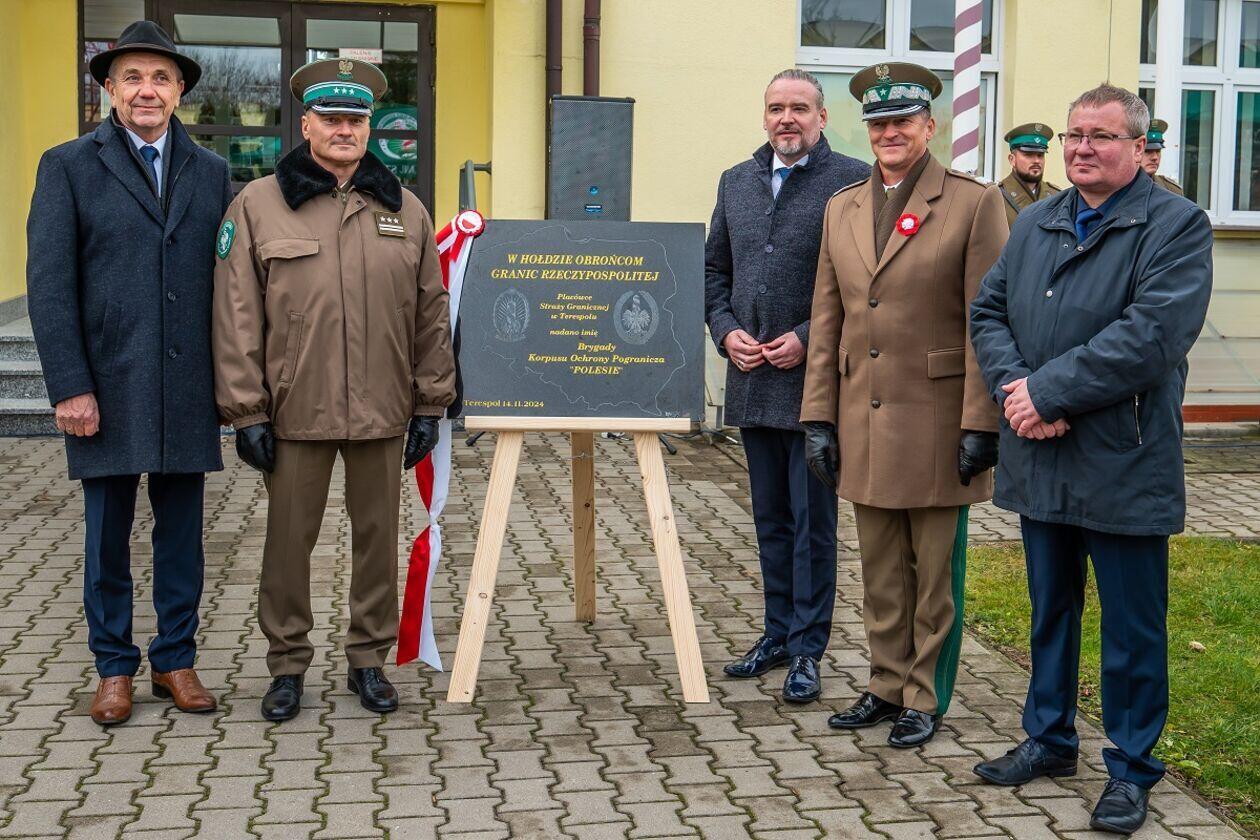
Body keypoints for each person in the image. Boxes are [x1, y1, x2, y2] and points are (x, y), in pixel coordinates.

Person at [969, 84, 1212, 834]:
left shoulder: (1176, 224)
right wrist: (1016, 390)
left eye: (1100, 136)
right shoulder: (1037, 219)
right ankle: (1049, 739)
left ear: (1138, 148)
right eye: (1074, 134)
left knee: (1132, 627)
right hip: (1041, 452)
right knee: (1050, 608)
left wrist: (1046, 392)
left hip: (1123, 457)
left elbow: (1151, 335)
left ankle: (1132, 768)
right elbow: (989, 310)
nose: (1080, 148)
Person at [213, 58, 456, 722]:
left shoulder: (404, 208)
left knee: (377, 540)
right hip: (296, 407)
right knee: (288, 545)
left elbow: (430, 312)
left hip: (384, 406)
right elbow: (236, 314)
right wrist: (245, 410)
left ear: (368, 127)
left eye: (356, 119)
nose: (344, 129)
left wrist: (430, 402)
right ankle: (287, 664)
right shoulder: (259, 203)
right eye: (331, 119)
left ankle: (367, 658)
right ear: (306, 125)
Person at [26, 20, 231, 726]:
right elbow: (49, 285)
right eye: (134, 77)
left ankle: (175, 659)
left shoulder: (211, 172)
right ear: (110, 90)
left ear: (179, 93)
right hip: (107, 384)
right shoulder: (67, 166)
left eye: (161, 78)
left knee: (181, 538)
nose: (148, 90)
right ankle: (113, 667)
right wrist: (69, 386)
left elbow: (229, 282)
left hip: (187, 382)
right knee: (107, 537)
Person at [799, 62, 1006, 747]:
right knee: (881, 570)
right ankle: (886, 684)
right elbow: (826, 318)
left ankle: (926, 694)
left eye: (902, 122)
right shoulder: (842, 206)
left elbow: (987, 321)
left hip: (939, 420)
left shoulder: (974, 203)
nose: (889, 133)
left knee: (934, 575)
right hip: (863, 417)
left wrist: (982, 422)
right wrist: (818, 415)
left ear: (929, 126)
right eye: (879, 123)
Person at [705, 69, 869, 703]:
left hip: (814, 384)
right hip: (751, 379)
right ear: (764, 116)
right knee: (770, 520)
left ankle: (808, 648)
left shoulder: (850, 182)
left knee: (812, 525)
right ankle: (776, 633)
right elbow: (714, 271)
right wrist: (725, 330)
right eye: (776, 108)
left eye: (799, 107)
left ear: (822, 117)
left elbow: (863, 283)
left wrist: (807, 335)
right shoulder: (736, 181)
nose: (787, 118)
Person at [998, 123, 1062, 227]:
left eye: (1040, 155)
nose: (1036, 161)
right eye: (1028, 155)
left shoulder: (1056, 196)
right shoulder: (998, 196)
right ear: (1012, 160)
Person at [1141, 118, 1184, 195]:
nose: (1155, 157)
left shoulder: (1172, 190)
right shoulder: (1120, 187)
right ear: (1136, 151)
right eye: (1148, 151)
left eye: (1158, 151)